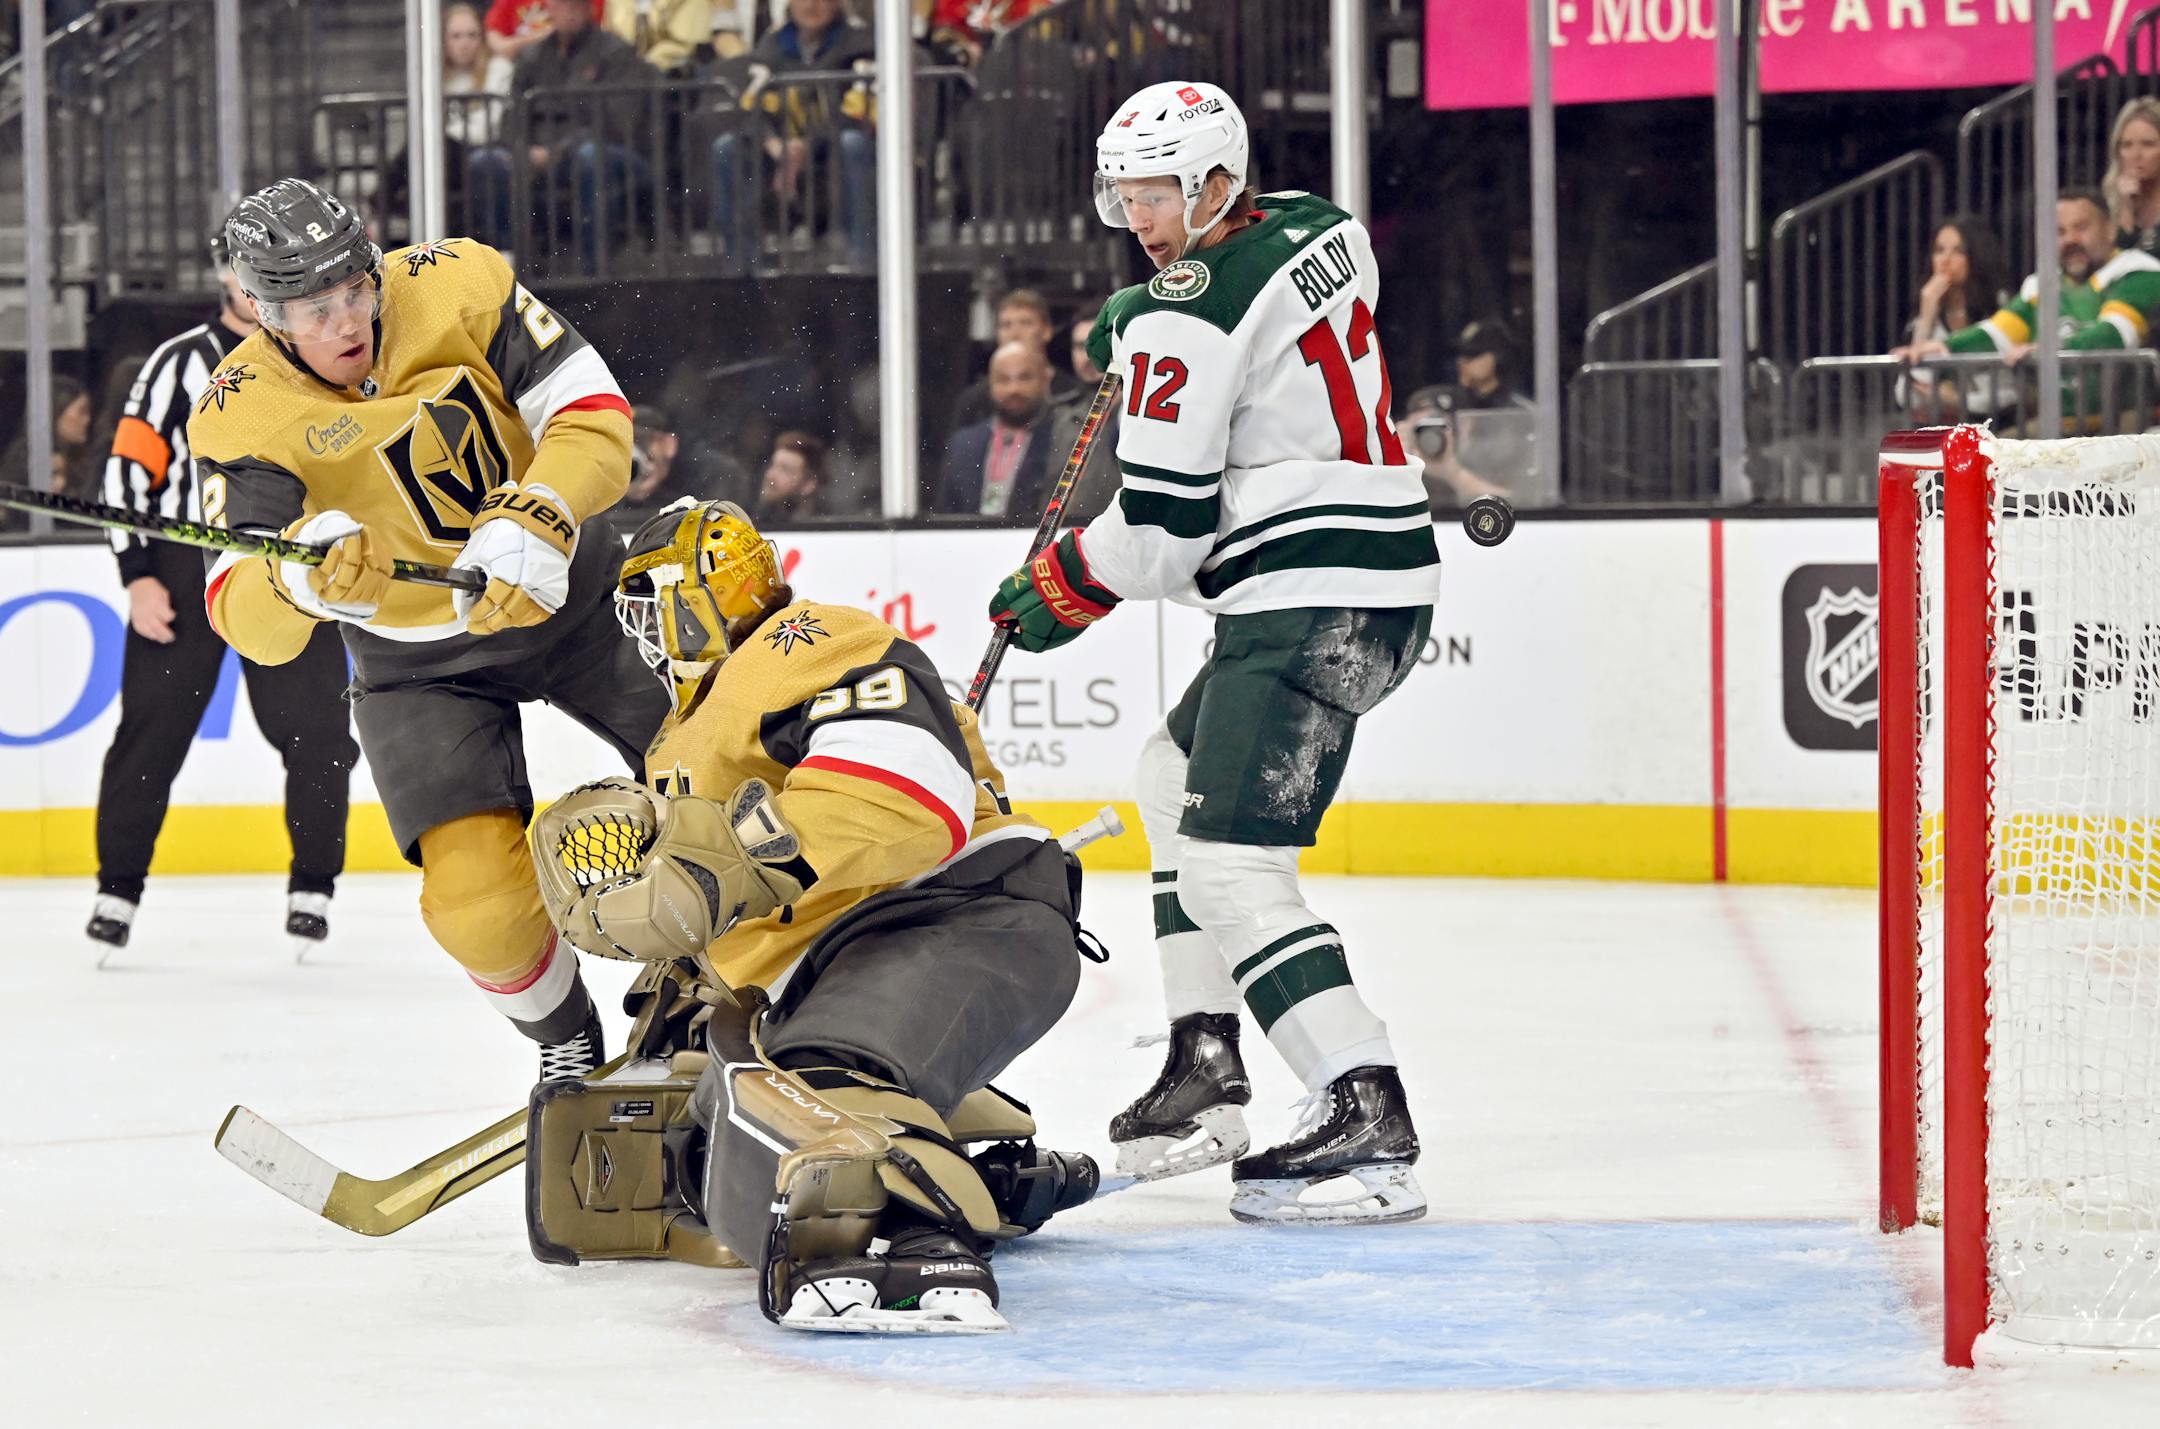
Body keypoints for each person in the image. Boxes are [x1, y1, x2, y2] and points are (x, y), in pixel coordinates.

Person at [986, 80, 1439, 1227]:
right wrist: (1143, 322)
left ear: (1216, 181)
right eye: (1128, 193)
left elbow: (1170, 525)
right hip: (1381, 583)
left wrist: (1062, 581)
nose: (1141, 216)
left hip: (1306, 601)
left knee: (1235, 868)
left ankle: (1361, 1099)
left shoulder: (1180, 312)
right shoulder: (1326, 227)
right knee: (1164, 776)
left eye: (1162, 192)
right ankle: (1206, 1062)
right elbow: (1249, 307)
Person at [524, 498, 1096, 1332]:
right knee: (722, 1103)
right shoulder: (685, 730)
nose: (647, 637)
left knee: (812, 1081)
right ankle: (986, 1169)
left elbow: (905, 794)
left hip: (961, 913)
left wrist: (724, 870)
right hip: (850, 957)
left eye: (653, 608)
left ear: (699, 595)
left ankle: (915, 1234)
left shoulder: (806, 642)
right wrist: (686, 983)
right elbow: (764, 899)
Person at [187, 178, 663, 1084]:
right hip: (419, 664)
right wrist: (294, 576)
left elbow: (595, 413)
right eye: (314, 308)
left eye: (356, 289)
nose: (346, 322)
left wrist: (542, 508)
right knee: (477, 902)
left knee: (726, 774)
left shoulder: (460, 281)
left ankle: (741, 982)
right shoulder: (238, 408)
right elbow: (241, 609)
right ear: (261, 312)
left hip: (581, 589)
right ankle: (563, 1034)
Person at [85, 223, 358, 959]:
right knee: (151, 735)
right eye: (246, 272)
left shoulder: (317, 359)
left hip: (288, 568)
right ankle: (118, 888)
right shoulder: (177, 364)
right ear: (224, 278)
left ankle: (314, 885)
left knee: (321, 733)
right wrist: (137, 573)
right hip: (181, 565)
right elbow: (125, 473)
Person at [1900, 191, 2160, 424]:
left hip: (2132, 423)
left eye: (2081, 228)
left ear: (2110, 230)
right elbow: (1997, 333)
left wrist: (2048, 350)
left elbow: (2114, 334)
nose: (2070, 239)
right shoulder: (2042, 285)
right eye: (2059, 232)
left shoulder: (2140, 272)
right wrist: (1946, 348)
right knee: (1999, 461)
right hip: (2066, 425)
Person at [471, 0, 653, 273]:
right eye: (561, 4)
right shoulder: (532, 56)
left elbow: (618, 122)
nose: (568, 11)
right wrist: (524, 150)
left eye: (575, 5)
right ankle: (508, 265)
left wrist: (558, 151)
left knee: (591, 157)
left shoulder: (616, 53)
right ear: (549, 9)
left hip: (601, 150)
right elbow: (512, 116)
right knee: (486, 161)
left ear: (589, 8)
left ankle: (595, 267)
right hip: (536, 151)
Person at [707, 0, 876, 274]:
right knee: (727, 148)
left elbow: (858, 113)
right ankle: (741, 268)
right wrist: (774, 145)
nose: (811, 4)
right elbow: (750, 108)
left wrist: (807, 145)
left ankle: (863, 263)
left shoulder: (862, 45)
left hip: (833, 156)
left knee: (853, 143)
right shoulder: (772, 46)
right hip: (783, 159)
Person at [1888, 215, 2008, 422]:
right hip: (1940, 427)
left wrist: (1956, 401)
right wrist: (1926, 318)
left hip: (1995, 425)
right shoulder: (1927, 314)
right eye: (1939, 250)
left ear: (1976, 256)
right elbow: (1905, 395)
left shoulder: (1998, 306)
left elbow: (2010, 394)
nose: (1945, 260)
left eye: (1958, 251)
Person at [934, 340, 1057, 517]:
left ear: (1044, 380)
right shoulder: (963, 444)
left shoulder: (1063, 438)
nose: (1014, 389)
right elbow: (944, 514)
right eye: (1003, 379)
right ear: (989, 383)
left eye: (1024, 378)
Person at [945, 287, 1058, 438]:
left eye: (1026, 323)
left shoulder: (1071, 393)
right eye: (1006, 325)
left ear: (1046, 331)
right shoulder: (974, 400)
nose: (1015, 333)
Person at [1044, 301, 1118, 523]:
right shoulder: (1056, 416)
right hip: (1067, 540)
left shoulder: (1142, 414)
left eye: (1096, 345)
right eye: (1079, 347)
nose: (1087, 356)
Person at [0, 375, 93, 531]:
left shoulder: (82, 459)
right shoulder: (27, 455)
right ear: (56, 412)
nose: (87, 420)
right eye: (81, 411)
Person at [2107, 96, 2160, 259]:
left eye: (2148, 144)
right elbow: (2119, 264)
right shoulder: (2110, 200)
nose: (2136, 155)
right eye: (2127, 145)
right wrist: (2127, 208)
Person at [602, 0, 711, 74]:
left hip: (674, 76)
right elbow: (611, 37)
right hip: (626, 76)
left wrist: (645, 67)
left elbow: (682, 45)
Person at [485, 0, 603, 61]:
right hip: (522, 63)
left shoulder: (582, 3)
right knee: (500, 66)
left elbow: (592, 35)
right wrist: (543, 37)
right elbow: (500, 46)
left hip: (575, 60)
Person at [752, 428, 827, 523]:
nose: (770, 475)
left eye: (785, 469)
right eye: (771, 465)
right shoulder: (753, 519)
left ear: (808, 484)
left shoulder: (820, 531)